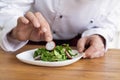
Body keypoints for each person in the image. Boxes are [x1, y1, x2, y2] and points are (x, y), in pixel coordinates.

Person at [0, 0, 119, 58]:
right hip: (30, 42)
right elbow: (9, 6)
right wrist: (15, 30)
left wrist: (99, 36)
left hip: (78, 48)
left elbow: (111, 20)